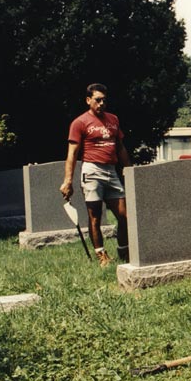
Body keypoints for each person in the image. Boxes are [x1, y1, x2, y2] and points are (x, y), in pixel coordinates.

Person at [59, 83, 132, 266]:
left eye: (104, 100)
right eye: (97, 100)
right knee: (95, 217)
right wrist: (68, 181)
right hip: (92, 171)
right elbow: (73, 153)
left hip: (111, 172)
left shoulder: (113, 119)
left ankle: (124, 251)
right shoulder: (80, 122)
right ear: (88, 100)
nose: (101, 103)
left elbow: (120, 147)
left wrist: (130, 170)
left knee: (124, 216)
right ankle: (102, 256)